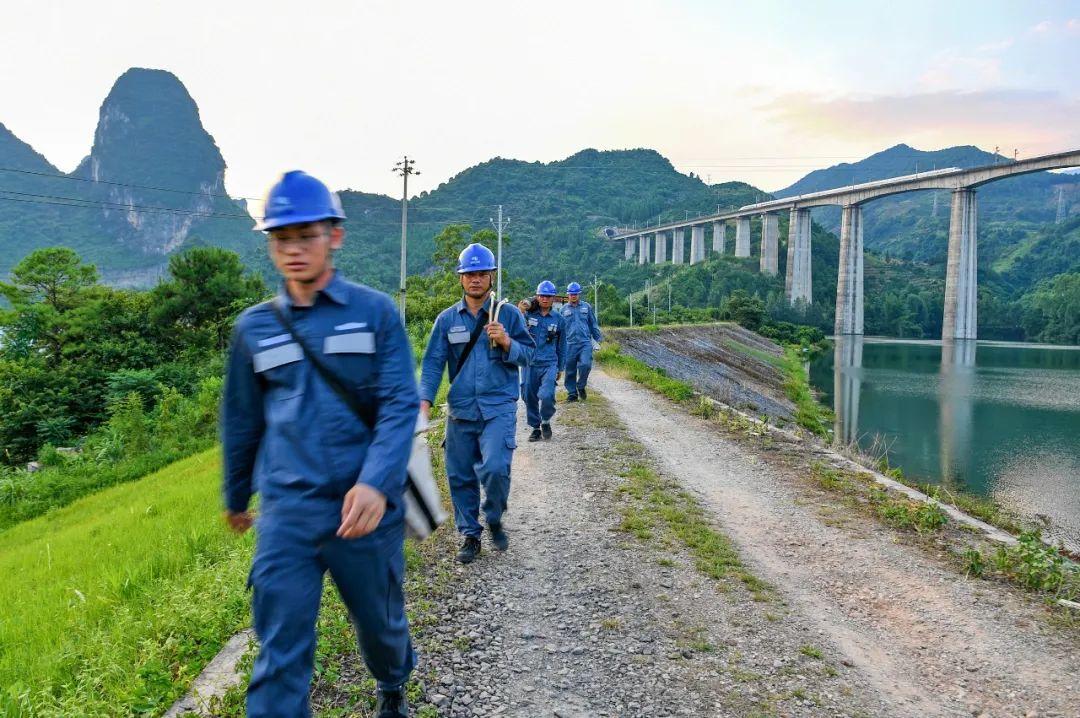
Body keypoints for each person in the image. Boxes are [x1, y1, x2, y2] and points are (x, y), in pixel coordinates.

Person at [222, 170, 417, 718]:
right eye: (282, 238)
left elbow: (401, 403)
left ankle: (394, 683)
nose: (294, 249)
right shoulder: (253, 329)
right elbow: (241, 421)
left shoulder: (374, 312)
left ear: (334, 235)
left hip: (364, 511)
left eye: (306, 235)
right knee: (279, 654)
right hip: (288, 511)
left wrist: (377, 484)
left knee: (381, 628)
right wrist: (237, 497)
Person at [419, 244, 534, 564]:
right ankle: (470, 534)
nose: (475, 279)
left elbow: (530, 354)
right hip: (460, 409)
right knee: (460, 475)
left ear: (491, 276)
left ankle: (494, 516)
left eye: (482, 273)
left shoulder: (508, 314)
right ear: (461, 279)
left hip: (498, 405)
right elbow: (432, 365)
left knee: (496, 467)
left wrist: (508, 341)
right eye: (469, 274)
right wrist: (424, 403)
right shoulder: (446, 320)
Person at [522, 281, 566, 441]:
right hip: (529, 363)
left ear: (553, 298)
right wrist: (522, 309)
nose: (544, 299)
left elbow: (562, 345)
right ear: (537, 296)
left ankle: (546, 420)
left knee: (547, 394)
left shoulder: (559, 320)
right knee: (528, 396)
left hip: (549, 363)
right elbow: (516, 327)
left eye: (548, 296)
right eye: (541, 295)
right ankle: (535, 427)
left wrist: (560, 367)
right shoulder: (528, 314)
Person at [561, 281, 603, 401]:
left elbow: (593, 323)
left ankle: (581, 386)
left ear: (579, 294)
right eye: (571, 294)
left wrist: (598, 338)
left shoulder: (586, 307)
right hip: (569, 344)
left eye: (576, 294)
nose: (573, 296)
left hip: (585, 343)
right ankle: (572, 394)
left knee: (586, 365)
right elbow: (560, 329)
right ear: (568, 295)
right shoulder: (563, 310)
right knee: (570, 370)